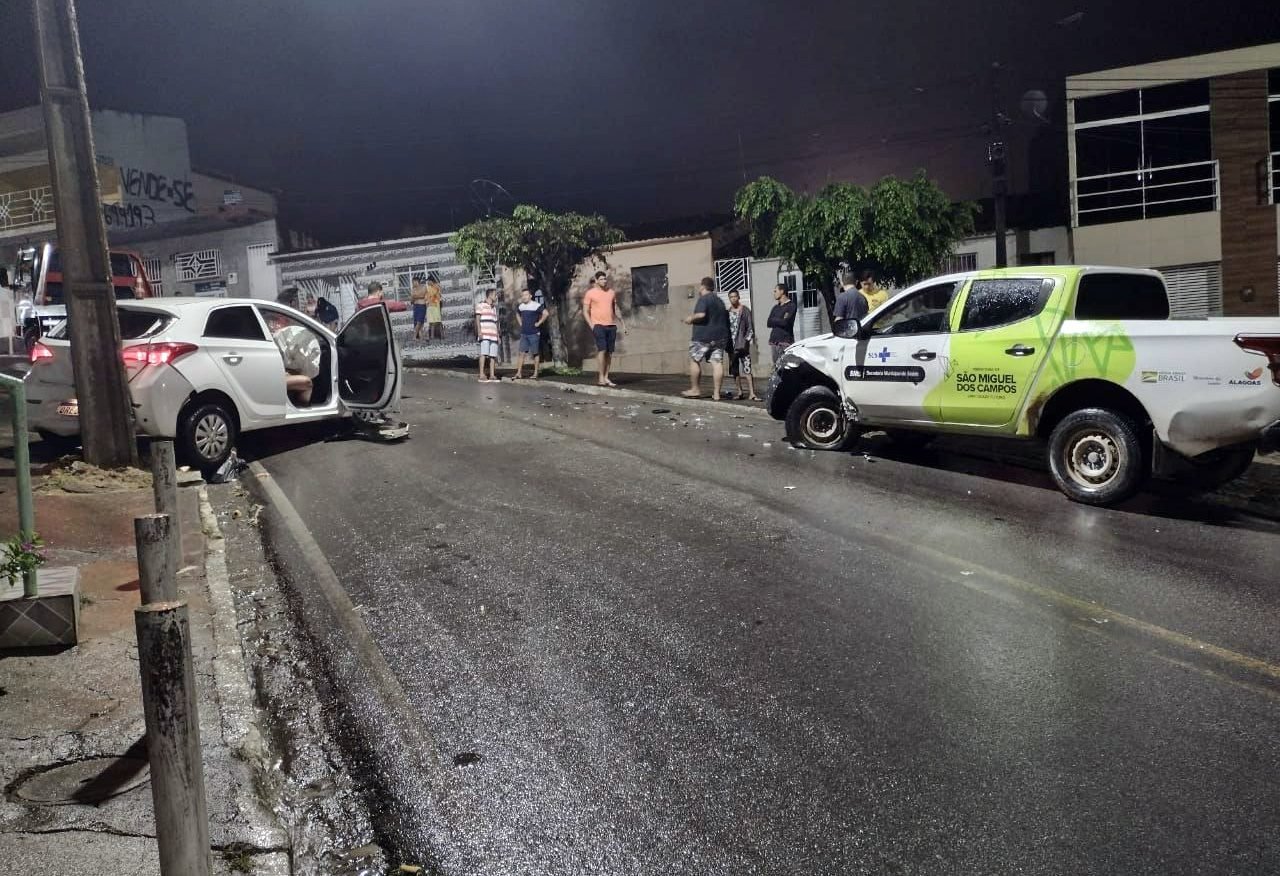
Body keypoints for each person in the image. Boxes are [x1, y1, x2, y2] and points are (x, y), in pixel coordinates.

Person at [682, 276, 730, 399]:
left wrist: (690, 318)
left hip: (702, 337)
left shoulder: (704, 299)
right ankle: (717, 393)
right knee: (717, 363)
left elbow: (701, 314)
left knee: (695, 360)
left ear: (703, 286)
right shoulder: (719, 301)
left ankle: (695, 389)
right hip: (720, 337)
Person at [266, 310, 321, 407]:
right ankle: (302, 409)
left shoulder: (277, 336)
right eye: (280, 318)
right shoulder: (278, 336)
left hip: (271, 374)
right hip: (268, 377)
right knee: (307, 382)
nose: (287, 321)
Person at [581, 270, 626, 387]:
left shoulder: (611, 292)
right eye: (601, 279)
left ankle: (606, 377)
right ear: (596, 280)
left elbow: (615, 308)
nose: (604, 281)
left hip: (611, 325)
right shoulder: (590, 293)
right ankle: (600, 377)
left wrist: (623, 323)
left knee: (609, 352)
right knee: (602, 350)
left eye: (605, 279)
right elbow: (585, 311)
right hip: (598, 325)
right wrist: (592, 325)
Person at [726, 289, 760, 401]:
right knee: (734, 370)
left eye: (735, 296)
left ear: (739, 297)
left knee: (747, 369)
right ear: (729, 298)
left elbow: (750, 328)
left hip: (743, 346)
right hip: (732, 347)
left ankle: (752, 393)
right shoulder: (728, 312)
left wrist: (746, 341)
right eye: (731, 297)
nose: (733, 299)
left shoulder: (745, 310)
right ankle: (739, 392)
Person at [514, 288, 548, 379]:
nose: (524, 297)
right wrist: (520, 323)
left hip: (534, 333)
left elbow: (546, 313)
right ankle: (518, 373)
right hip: (524, 334)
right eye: (522, 295)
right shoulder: (521, 306)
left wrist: (539, 323)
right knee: (521, 353)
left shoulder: (536, 305)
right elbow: (517, 313)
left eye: (526, 295)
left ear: (530, 296)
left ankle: (535, 373)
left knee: (535, 353)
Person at [766, 284, 797, 369]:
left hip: (785, 341)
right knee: (777, 367)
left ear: (782, 291)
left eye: (775, 291)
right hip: (774, 341)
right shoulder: (775, 308)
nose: (774, 293)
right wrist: (779, 319)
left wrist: (774, 320)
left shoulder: (791, 306)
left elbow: (785, 322)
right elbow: (769, 323)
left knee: (786, 367)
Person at [475, 288, 500, 382]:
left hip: (493, 335)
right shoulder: (480, 305)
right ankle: (481, 374)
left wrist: (498, 335)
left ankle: (492, 375)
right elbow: (477, 319)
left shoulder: (494, 308)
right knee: (484, 354)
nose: (496, 297)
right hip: (485, 334)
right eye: (495, 295)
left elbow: (495, 323)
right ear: (490, 295)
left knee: (493, 356)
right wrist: (479, 332)